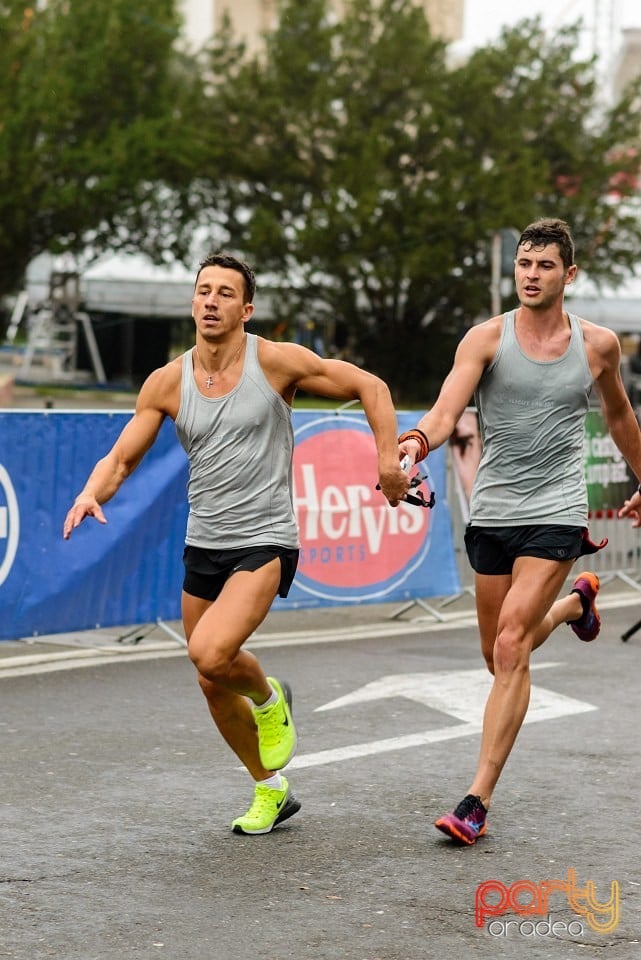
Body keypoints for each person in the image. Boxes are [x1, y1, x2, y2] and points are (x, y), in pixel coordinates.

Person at [63, 252, 409, 836]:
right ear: (192, 302)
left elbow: (369, 386)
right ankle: (270, 787)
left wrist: (387, 460)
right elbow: (123, 456)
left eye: (225, 293)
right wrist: (92, 491)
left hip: (265, 539)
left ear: (246, 309)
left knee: (211, 653)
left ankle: (270, 699)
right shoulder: (167, 382)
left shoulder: (274, 363)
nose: (211, 302)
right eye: (203, 291)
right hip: (206, 542)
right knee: (208, 678)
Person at [399, 218, 641, 845]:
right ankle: (574, 605)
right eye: (524, 264)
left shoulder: (597, 346)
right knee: (498, 654)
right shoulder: (485, 339)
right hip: (495, 508)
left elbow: (618, 415)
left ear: (569, 274)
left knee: (511, 643)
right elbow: (448, 408)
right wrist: (418, 441)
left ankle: (476, 799)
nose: (531, 275)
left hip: (557, 508)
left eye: (544, 266)